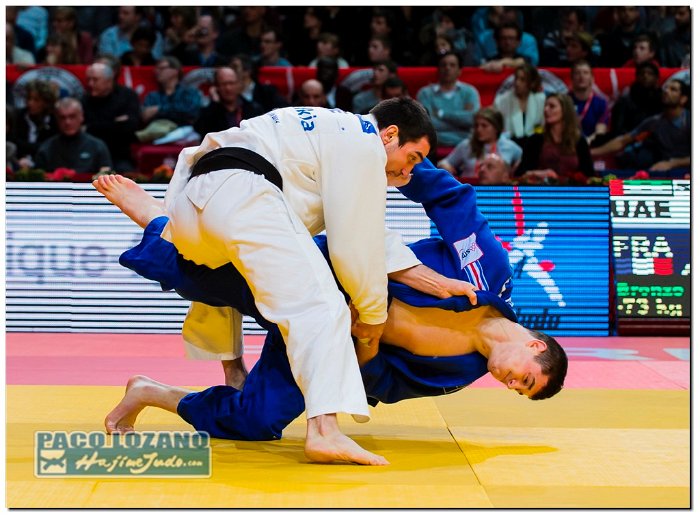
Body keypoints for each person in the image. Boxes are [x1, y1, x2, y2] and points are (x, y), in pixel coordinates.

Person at [94, 160, 567, 451]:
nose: (510, 384)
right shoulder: (488, 272)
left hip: (326, 340)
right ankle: (156, 217)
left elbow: (380, 385)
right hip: (314, 270)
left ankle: (150, 392)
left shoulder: (457, 373)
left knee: (256, 423)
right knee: (192, 273)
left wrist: (368, 340)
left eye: (518, 392)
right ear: (535, 345)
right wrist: (383, 154)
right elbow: (451, 199)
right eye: (525, 379)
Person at [112, 98, 443, 465]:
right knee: (321, 306)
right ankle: (324, 431)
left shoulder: (324, 127)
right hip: (243, 194)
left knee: (210, 278)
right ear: (390, 134)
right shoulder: (364, 141)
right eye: (412, 157)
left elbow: (363, 227)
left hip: (195, 200)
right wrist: (373, 316)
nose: (409, 170)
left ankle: (158, 224)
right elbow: (355, 244)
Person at [590, 79, 689, 173]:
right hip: (664, 170)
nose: (666, 91)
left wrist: (672, 163)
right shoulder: (655, 122)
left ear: (683, 99)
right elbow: (622, 141)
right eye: (665, 88)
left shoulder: (690, 120)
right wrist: (591, 152)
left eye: (673, 89)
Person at [515, 92, 594, 184]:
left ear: (565, 111)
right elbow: (521, 174)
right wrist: (540, 173)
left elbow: (589, 176)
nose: (546, 109)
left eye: (552, 106)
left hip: (572, 191)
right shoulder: (535, 140)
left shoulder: (579, 141)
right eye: (545, 106)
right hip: (541, 190)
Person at [82, 61, 140, 172]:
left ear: (109, 81)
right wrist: (114, 123)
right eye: (88, 79)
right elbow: (82, 130)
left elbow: (130, 128)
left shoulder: (128, 96)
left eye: (95, 80)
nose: (90, 84)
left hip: (119, 154)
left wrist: (93, 126)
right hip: (90, 153)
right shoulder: (85, 99)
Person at [438, 107, 522, 181]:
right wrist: (445, 166)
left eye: (484, 126)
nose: (479, 129)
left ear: (496, 128)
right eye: (476, 125)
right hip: (470, 189)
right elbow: (445, 162)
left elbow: (521, 166)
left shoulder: (510, 147)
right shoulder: (466, 145)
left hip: (496, 191)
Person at [416, 51, 480, 147]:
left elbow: (472, 120)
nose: (447, 68)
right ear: (438, 69)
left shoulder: (470, 92)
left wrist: (442, 114)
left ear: (459, 70)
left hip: (466, 146)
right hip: (435, 146)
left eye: (452, 65)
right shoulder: (425, 93)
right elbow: (427, 125)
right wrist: (461, 124)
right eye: (443, 65)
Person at [35, 97, 112, 173]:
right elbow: (38, 178)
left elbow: (107, 175)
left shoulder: (97, 147)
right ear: (57, 119)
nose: (67, 122)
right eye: (62, 118)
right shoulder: (46, 149)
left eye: (72, 116)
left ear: (81, 116)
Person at [139, 56, 202, 138]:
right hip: (157, 137)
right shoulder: (152, 96)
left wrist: (158, 109)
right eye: (156, 69)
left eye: (162, 68)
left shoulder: (189, 92)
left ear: (175, 71)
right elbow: (146, 116)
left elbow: (191, 112)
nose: (156, 71)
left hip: (185, 138)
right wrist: (175, 112)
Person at [194, 67, 265, 137]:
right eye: (223, 84)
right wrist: (214, 103)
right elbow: (201, 130)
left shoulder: (254, 109)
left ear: (238, 84)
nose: (228, 88)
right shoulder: (208, 112)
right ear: (216, 87)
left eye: (231, 83)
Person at [10, 80, 58, 167]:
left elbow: (51, 147)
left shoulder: (54, 120)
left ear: (46, 102)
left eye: (36, 100)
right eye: (28, 98)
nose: (30, 103)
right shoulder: (17, 117)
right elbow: (12, 142)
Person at [494, 62, 545, 141]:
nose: (517, 83)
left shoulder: (541, 100)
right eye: (516, 78)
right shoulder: (501, 101)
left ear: (532, 83)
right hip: (509, 143)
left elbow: (541, 127)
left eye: (522, 80)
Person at [610, 61, 663, 138]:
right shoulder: (624, 101)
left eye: (650, 73)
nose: (645, 76)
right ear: (637, 77)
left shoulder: (662, 100)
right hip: (628, 139)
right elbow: (617, 129)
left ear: (656, 79)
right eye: (642, 73)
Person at [97, 6, 163, 60]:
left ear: (137, 17)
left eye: (125, 13)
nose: (120, 16)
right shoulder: (108, 35)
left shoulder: (154, 35)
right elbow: (107, 63)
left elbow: (156, 62)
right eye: (119, 13)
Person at [568, 60, 609, 145]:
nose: (581, 76)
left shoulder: (601, 103)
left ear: (592, 79)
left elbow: (600, 132)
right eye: (577, 73)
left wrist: (585, 143)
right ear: (572, 78)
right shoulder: (564, 102)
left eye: (585, 73)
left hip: (591, 144)